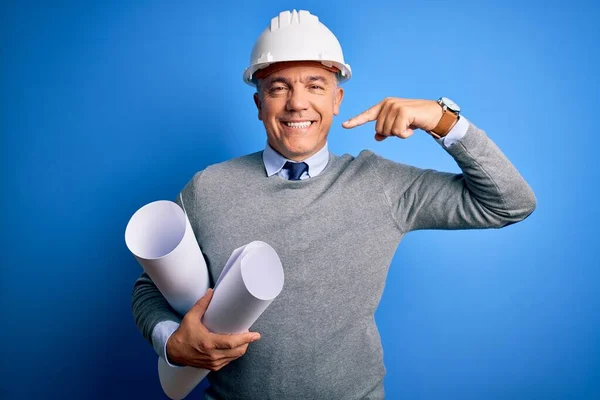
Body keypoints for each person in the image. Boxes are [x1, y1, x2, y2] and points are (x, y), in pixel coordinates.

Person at [132, 9, 536, 399]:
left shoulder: (381, 185)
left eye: (315, 85)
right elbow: (150, 288)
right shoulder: (208, 188)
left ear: (337, 99)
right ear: (258, 105)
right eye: (278, 87)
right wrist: (171, 343)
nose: (297, 103)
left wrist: (443, 121)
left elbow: (510, 203)